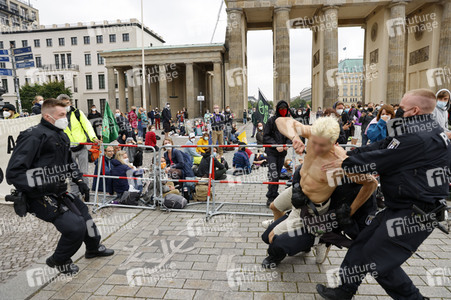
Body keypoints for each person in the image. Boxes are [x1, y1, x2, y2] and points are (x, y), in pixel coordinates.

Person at [316, 89, 450, 300]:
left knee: (379, 261)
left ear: (414, 110)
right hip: (401, 206)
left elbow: (382, 160)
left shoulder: (419, 137)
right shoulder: (415, 129)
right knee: (361, 245)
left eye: (401, 108)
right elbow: (383, 146)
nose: (396, 111)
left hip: (417, 213)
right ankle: (344, 291)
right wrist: (352, 154)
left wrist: (345, 163)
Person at [6, 98, 113, 275]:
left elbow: (68, 162)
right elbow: (14, 172)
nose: (66, 118)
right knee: (74, 227)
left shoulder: (61, 134)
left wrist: (79, 181)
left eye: (66, 114)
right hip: (38, 195)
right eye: (62, 115)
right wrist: (41, 184)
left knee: (87, 220)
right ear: (48, 116)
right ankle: (59, 260)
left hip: (60, 191)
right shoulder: (33, 136)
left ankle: (93, 249)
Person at [57, 94, 99, 196]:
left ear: (70, 103)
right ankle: (75, 193)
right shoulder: (57, 115)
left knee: (84, 171)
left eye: (67, 103)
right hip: (68, 148)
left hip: (81, 146)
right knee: (71, 171)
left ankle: (86, 191)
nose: (66, 105)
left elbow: (87, 125)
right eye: (63, 104)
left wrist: (93, 137)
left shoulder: (77, 113)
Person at [263, 100, 292, 207]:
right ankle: (271, 196)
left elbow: (291, 135)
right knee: (273, 173)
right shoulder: (271, 121)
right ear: (277, 109)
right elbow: (265, 136)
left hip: (282, 153)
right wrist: (276, 145)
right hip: (271, 152)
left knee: (278, 174)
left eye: (285, 109)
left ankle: (275, 194)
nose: (283, 111)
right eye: (281, 109)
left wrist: (287, 145)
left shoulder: (288, 121)